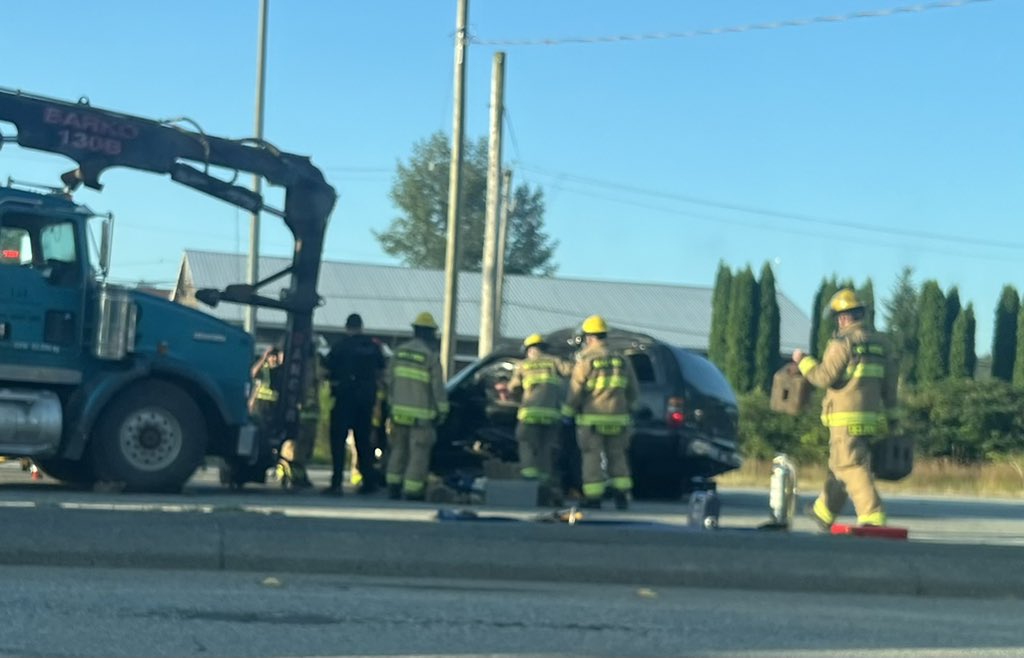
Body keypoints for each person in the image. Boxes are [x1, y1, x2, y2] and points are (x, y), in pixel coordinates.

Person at [793, 288, 898, 530]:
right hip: (869, 416)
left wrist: (803, 362)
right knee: (839, 465)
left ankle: (872, 515)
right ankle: (824, 511)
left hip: (843, 418)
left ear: (843, 317)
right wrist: (894, 419)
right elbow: (890, 386)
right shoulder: (882, 344)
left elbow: (823, 377)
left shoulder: (843, 343)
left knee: (850, 466)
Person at [562, 315, 639, 510]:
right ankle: (622, 496)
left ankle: (594, 498)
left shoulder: (586, 360)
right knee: (617, 456)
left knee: (592, 458)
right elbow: (633, 391)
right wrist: (630, 409)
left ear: (589, 338)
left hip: (592, 420)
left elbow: (576, 390)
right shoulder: (621, 360)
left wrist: (567, 412)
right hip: (619, 419)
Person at [384, 311, 448, 501]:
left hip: (398, 413)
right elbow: (437, 387)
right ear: (430, 333)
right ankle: (412, 490)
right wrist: (443, 411)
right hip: (422, 416)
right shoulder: (430, 356)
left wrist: (391, 405)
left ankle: (393, 485)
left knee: (398, 450)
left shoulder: (399, 353)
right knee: (418, 453)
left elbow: (389, 381)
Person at [324, 313, 386, 496]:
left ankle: (336, 483)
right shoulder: (372, 346)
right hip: (366, 400)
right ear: (361, 326)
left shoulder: (340, 346)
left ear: (347, 327)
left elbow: (327, 369)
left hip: (344, 398)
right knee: (363, 442)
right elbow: (381, 372)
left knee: (338, 441)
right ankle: (368, 482)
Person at [508, 333, 573, 506]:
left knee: (526, 443)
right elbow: (571, 370)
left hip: (529, 414)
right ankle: (545, 485)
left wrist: (515, 396)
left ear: (529, 350)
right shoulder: (554, 362)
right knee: (546, 449)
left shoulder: (523, 365)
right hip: (552, 415)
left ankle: (530, 479)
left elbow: (513, 389)